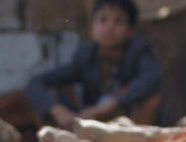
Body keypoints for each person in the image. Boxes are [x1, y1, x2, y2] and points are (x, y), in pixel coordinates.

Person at [24, 0, 162, 130]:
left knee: (152, 100)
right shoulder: (86, 55)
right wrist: (58, 111)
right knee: (45, 97)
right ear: (92, 29)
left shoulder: (138, 51)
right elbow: (37, 82)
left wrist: (112, 104)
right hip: (93, 120)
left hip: (127, 120)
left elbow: (151, 79)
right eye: (103, 20)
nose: (109, 27)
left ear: (129, 31)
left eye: (119, 21)